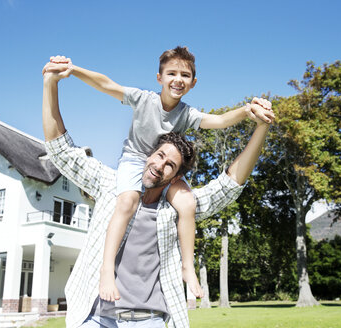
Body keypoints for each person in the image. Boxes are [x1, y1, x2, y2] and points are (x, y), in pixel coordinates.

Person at [42, 59, 273, 327]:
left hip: (148, 321)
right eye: (159, 156)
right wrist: (51, 84)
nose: (159, 166)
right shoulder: (112, 186)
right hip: (96, 318)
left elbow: (229, 184)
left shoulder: (175, 208)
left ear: (176, 177)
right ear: (148, 154)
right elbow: (60, 149)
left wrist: (261, 125)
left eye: (170, 165)